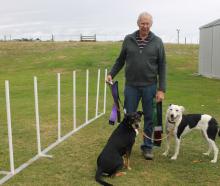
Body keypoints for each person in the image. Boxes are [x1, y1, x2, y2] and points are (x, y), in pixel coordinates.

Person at [107, 11, 166, 160]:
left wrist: (161, 89)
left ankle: (147, 147)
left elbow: (162, 66)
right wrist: (111, 74)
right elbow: (120, 60)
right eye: (142, 23)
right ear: (138, 23)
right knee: (128, 118)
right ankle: (124, 144)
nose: (145, 26)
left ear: (151, 24)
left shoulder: (158, 42)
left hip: (150, 87)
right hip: (131, 87)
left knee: (149, 119)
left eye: (147, 23)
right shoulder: (129, 39)